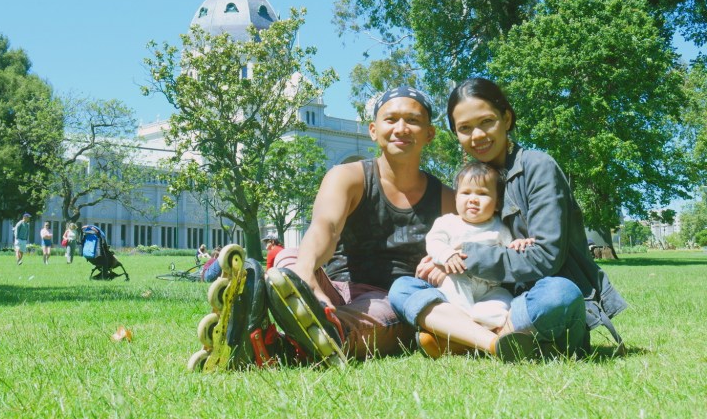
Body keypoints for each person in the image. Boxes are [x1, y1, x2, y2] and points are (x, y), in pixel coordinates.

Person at [389, 77, 628, 361]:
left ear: (506, 118)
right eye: (465, 128)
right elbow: (450, 237)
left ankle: (465, 339)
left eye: (486, 121)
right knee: (402, 287)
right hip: (480, 298)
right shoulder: (472, 181)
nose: (477, 135)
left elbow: (546, 257)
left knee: (561, 293)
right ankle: (496, 344)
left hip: (535, 301)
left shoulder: (538, 168)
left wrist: (462, 261)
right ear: (455, 133)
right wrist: (441, 262)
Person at [263, 85, 456, 363]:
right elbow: (325, 227)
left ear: (429, 134)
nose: (401, 128)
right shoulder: (348, 177)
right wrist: (308, 277)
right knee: (289, 257)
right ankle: (300, 316)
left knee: (378, 316)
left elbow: (465, 251)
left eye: (412, 120)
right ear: (373, 130)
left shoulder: (446, 198)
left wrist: (443, 265)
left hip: (389, 301)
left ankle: (291, 341)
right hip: (332, 287)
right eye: (390, 120)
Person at [421, 161, 534, 331]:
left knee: (504, 300)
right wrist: (447, 255)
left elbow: (508, 252)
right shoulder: (447, 222)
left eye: (482, 194)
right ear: (456, 197)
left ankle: (484, 324)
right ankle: (467, 326)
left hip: (491, 288)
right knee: (451, 288)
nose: (473, 199)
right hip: (459, 279)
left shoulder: (499, 228)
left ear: (497, 203)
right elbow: (434, 242)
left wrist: (518, 244)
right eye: (465, 193)